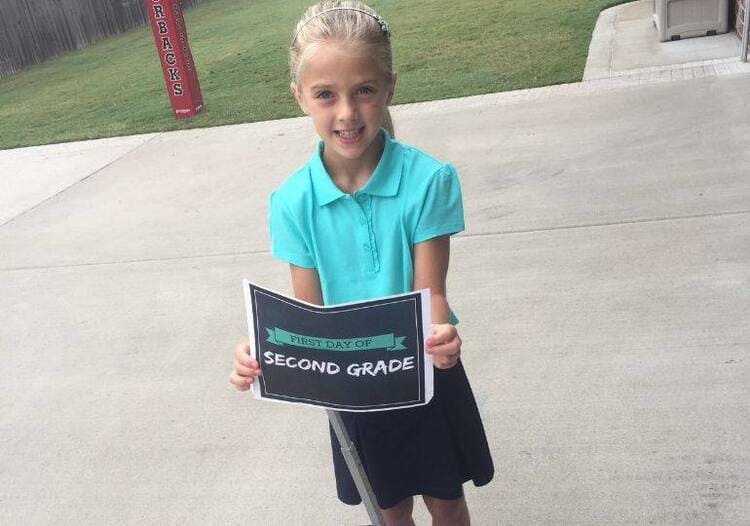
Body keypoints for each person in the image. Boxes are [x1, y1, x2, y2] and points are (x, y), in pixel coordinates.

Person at [229, 2, 493, 524]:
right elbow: (308, 314)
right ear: (300, 96)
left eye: (363, 91)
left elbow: (430, 291)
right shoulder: (291, 201)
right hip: (354, 387)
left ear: (389, 87)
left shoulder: (429, 180)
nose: (346, 113)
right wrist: (263, 352)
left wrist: (440, 334)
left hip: (420, 370)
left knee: (447, 500)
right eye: (325, 94)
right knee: (389, 509)